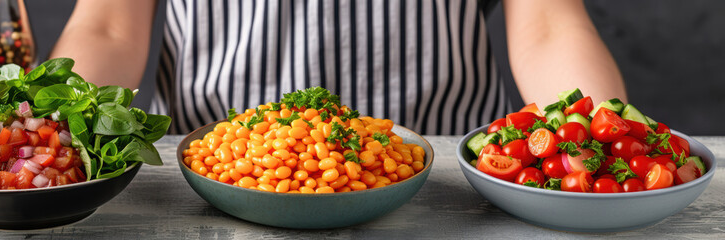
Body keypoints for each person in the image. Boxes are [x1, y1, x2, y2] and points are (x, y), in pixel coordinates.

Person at [51, 0, 626, 135]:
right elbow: (109, 26)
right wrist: (58, 131)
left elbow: (548, 21)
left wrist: (601, 135)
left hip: (447, 187)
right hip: (206, 184)